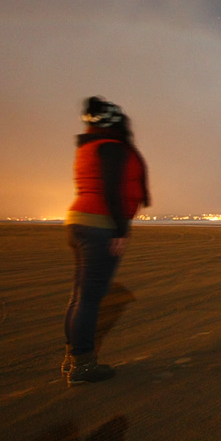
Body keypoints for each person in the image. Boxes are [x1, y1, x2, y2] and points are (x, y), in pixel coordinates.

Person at [62, 96, 150, 386]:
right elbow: (112, 190)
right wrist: (120, 230)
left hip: (78, 222)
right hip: (100, 226)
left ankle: (73, 358)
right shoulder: (112, 148)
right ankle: (83, 365)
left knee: (80, 296)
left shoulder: (88, 147)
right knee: (89, 299)